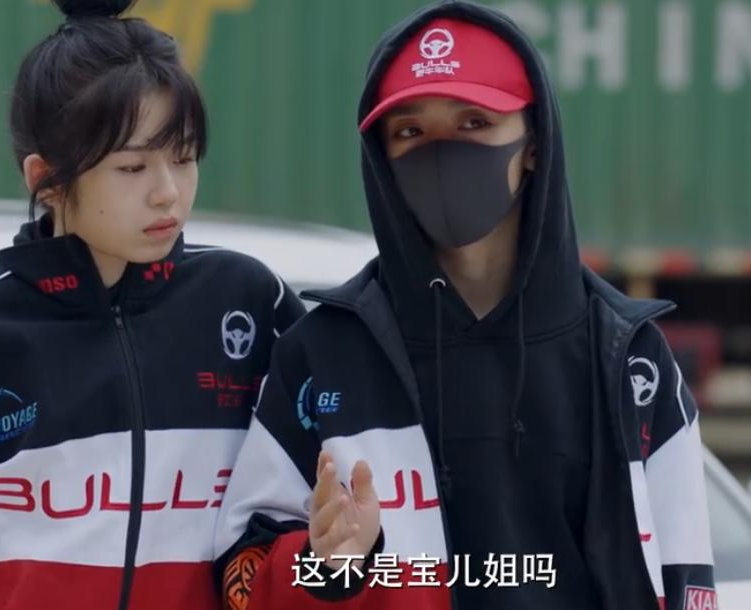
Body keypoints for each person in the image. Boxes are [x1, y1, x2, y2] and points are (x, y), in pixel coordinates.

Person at [214, 2, 715, 609]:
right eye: (410, 132)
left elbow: (686, 578)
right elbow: (241, 572)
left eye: (475, 122)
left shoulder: (627, 358)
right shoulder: (323, 354)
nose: (442, 153)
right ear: (381, 157)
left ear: (534, 142)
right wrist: (326, 568)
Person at [0, 1, 303, 609]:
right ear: (46, 180)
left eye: (183, 158)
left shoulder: (251, 303)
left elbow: (302, 522)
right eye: (132, 166)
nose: (168, 192)